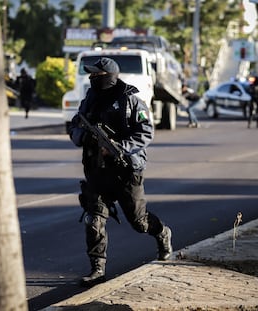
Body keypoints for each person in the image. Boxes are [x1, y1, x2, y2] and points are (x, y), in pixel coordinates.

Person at [68, 57, 172, 288]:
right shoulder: (89, 100)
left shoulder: (132, 101)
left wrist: (118, 148)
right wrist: (83, 136)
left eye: (98, 75)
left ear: (110, 76)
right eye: (92, 75)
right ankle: (97, 269)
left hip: (126, 171)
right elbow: (74, 126)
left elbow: (145, 133)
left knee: (139, 222)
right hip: (97, 171)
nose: (93, 79)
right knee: (93, 219)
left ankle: (162, 233)